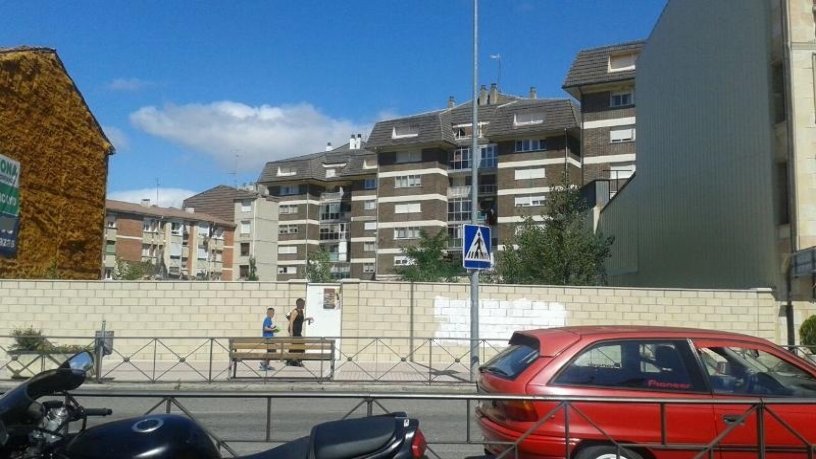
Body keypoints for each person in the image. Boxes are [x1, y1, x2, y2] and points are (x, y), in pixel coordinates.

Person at [287, 298, 313, 366]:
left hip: (298, 331)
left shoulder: (301, 311)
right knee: (300, 346)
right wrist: (291, 332)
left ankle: (291, 361)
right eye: (302, 304)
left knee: (295, 346)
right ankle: (296, 361)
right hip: (294, 331)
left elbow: (300, 320)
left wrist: (307, 319)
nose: (304, 305)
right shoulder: (295, 311)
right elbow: (291, 321)